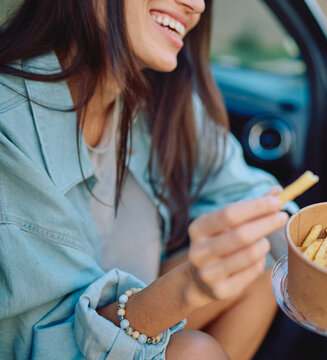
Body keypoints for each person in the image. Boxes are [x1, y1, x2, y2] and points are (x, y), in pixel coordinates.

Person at [0, 0, 297, 359]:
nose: (197, 5)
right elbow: (45, 349)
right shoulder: (8, 130)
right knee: (194, 352)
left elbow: (248, 193)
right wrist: (189, 285)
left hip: (128, 326)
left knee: (265, 258)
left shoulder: (164, 98)